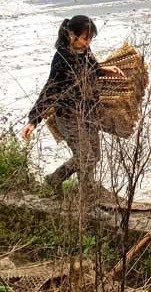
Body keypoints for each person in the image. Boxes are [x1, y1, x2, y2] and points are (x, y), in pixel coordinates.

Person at [21, 15, 125, 198]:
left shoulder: (84, 51)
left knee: (94, 155)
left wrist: (103, 69)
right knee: (85, 157)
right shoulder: (62, 58)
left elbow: (90, 67)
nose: (88, 42)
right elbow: (50, 89)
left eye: (91, 38)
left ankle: (70, 186)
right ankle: (78, 194)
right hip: (68, 116)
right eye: (85, 38)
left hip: (89, 114)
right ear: (72, 35)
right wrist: (33, 120)